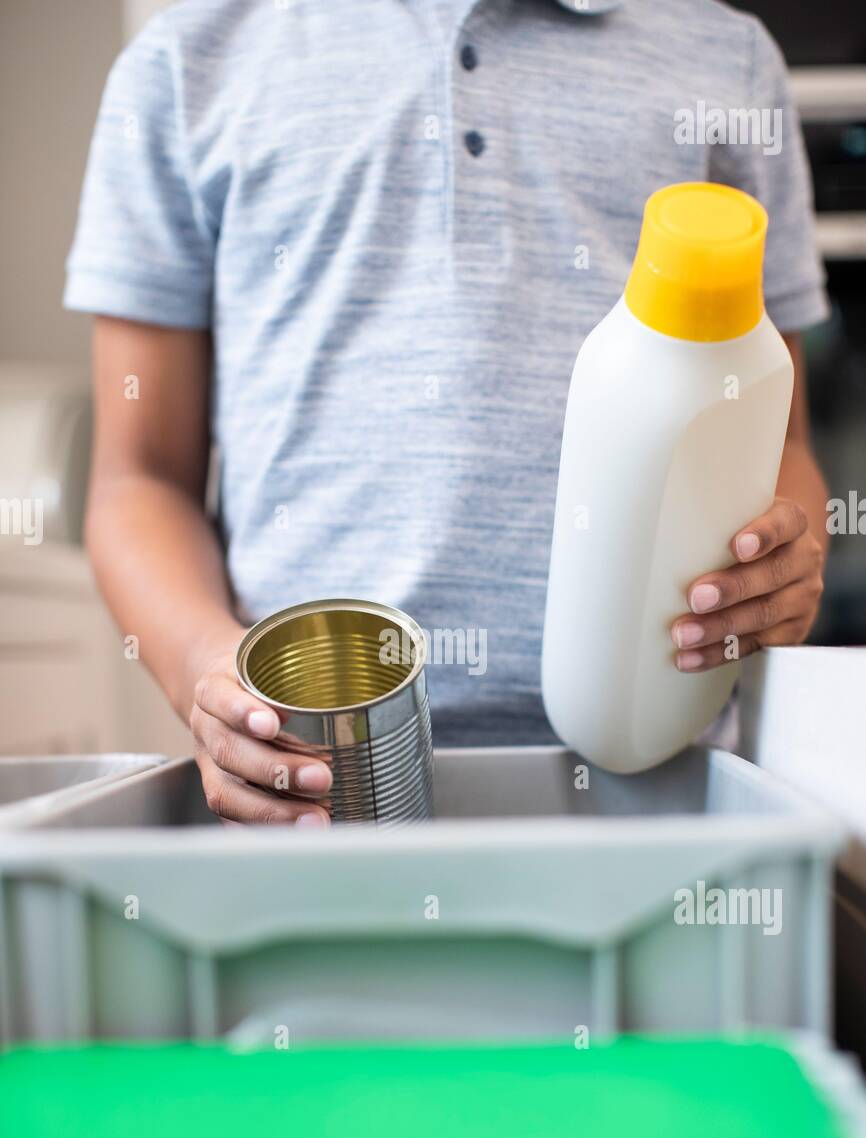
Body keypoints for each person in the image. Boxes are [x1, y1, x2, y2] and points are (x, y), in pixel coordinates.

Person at [65, 0, 828, 825]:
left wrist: (785, 561)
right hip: (318, 794)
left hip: (658, 784)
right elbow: (138, 480)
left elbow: (773, 432)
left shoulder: (724, 58)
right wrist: (204, 667)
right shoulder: (185, 63)